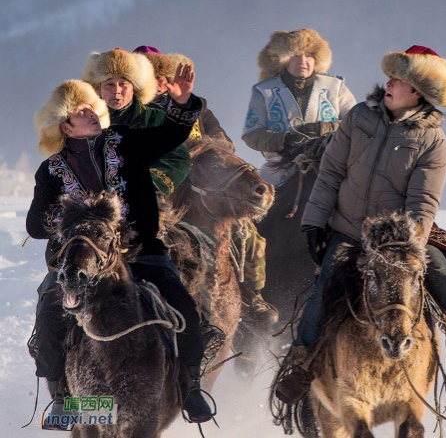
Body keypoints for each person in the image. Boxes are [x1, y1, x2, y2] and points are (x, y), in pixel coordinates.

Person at [274, 45, 446, 405]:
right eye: (391, 76)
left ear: (417, 92)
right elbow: (329, 174)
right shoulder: (358, 117)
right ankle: (300, 366)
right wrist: (314, 224)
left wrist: (408, 245)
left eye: (399, 80)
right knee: (325, 286)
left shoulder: (433, 141)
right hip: (346, 229)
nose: (389, 83)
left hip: (400, 239)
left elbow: (423, 203)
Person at [27, 65, 214, 427]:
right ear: (65, 126)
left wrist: (182, 102)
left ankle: (190, 388)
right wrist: (72, 220)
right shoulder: (50, 170)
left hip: (142, 252)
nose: (93, 113)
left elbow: (169, 137)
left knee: (185, 309)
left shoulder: (125, 142)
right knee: (48, 317)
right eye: (82, 111)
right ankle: (63, 401)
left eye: (92, 108)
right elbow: (35, 224)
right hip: (78, 264)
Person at [133, 45, 279, 329]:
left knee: (245, 230)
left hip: (208, 183)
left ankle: (251, 294)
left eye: (165, 76)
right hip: (168, 189)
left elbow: (224, 141)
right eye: (154, 77)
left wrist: (204, 148)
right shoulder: (138, 113)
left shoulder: (198, 107)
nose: (161, 83)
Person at [242, 29, 357, 186]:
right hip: (280, 168)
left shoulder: (334, 86)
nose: (303, 60)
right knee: (263, 205)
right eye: (295, 55)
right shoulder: (264, 90)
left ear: (317, 59)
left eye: (309, 55)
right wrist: (284, 140)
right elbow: (251, 134)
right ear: (283, 59)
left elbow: (356, 123)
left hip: (332, 163)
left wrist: (323, 129)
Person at [82, 48, 191, 198]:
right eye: (110, 84)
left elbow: (178, 157)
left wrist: (152, 184)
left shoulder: (155, 118)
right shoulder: (83, 122)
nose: (117, 91)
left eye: (123, 84)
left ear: (134, 87)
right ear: (99, 88)